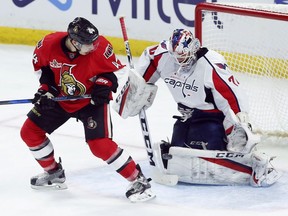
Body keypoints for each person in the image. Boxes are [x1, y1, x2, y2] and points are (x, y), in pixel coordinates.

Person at [113, 28, 281, 187]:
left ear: (193, 49)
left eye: (183, 56)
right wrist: (136, 89)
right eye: (176, 56)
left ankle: (257, 165)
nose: (179, 60)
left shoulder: (211, 64)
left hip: (213, 118)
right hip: (187, 116)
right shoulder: (163, 55)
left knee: (210, 145)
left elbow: (231, 94)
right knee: (177, 154)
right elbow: (148, 58)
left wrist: (240, 121)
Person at [19, 17, 155, 202]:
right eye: (89, 43)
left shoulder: (100, 48)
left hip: (91, 102)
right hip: (62, 98)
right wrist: (47, 91)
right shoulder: (47, 45)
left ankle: (138, 180)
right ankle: (54, 173)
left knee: (99, 145)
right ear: (74, 42)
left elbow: (115, 70)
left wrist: (103, 84)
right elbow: (44, 71)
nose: (94, 46)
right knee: (30, 132)